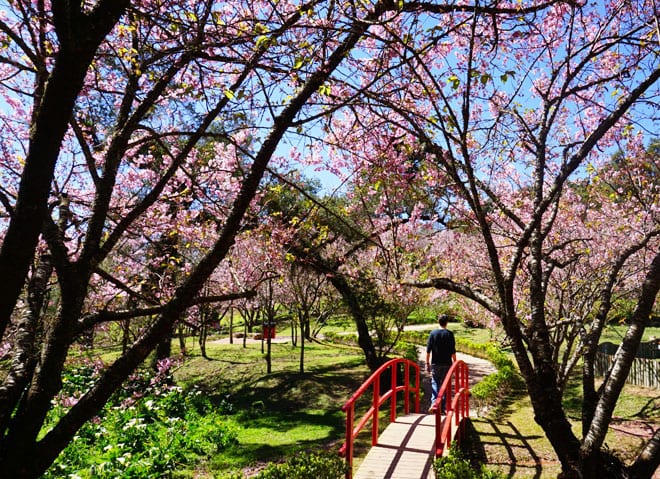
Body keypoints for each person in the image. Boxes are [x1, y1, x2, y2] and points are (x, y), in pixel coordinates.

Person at [425, 314, 456, 414]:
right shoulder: (449, 334)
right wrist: (455, 363)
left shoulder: (433, 333)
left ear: (438, 321)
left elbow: (428, 350)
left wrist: (427, 363)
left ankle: (434, 403)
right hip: (447, 363)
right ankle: (442, 408)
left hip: (435, 363)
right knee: (445, 385)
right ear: (447, 322)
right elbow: (453, 351)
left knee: (435, 383)